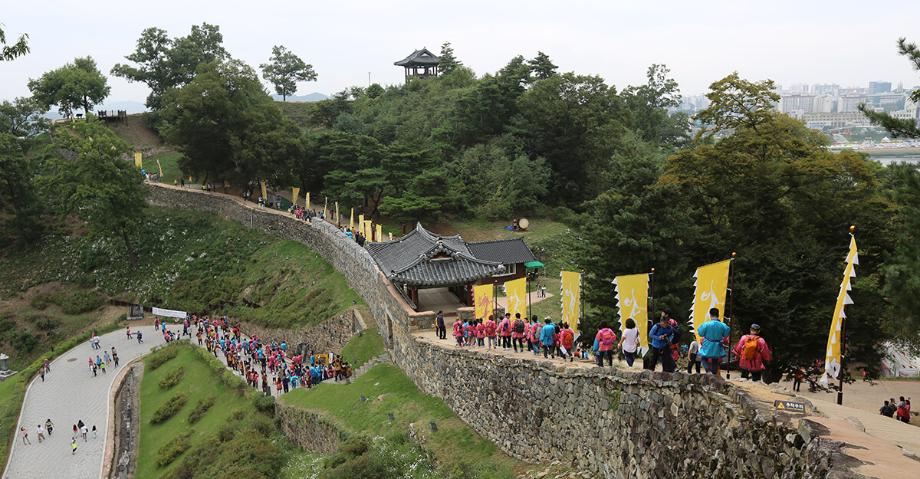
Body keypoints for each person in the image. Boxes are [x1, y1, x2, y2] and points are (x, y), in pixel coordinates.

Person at [697, 308, 730, 376]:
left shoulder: (706, 324)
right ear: (718, 315)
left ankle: (708, 371)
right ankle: (714, 373)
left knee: (703, 357)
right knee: (715, 359)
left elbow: (700, 333)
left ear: (710, 315)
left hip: (707, 344)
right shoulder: (723, 325)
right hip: (717, 345)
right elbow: (726, 334)